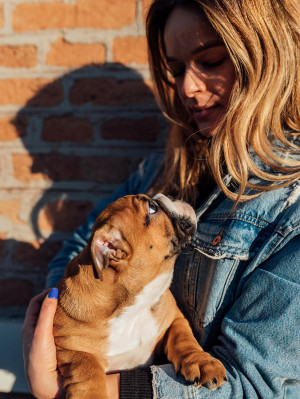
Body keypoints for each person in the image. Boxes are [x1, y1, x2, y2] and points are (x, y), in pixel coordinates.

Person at [22, 0, 300, 398]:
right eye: (175, 69)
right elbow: (78, 249)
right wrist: (69, 339)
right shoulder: (160, 170)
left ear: (266, 56)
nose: (187, 87)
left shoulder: (291, 207)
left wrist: (77, 385)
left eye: (212, 60)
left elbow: (253, 386)